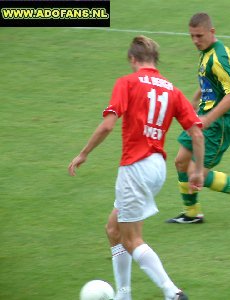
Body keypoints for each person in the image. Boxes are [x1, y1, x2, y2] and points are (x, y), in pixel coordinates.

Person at [68, 35, 204, 300]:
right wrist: (197, 169)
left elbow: (108, 124)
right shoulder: (171, 89)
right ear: (154, 60)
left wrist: (84, 153)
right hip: (157, 168)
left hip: (135, 167)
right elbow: (197, 134)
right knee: (113, 229)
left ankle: (172, 292)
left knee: (132, 239)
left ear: (133, 59)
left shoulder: (127, 83)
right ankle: (123, 295)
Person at [167, 12, 230, 224]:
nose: (195, 41)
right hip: (203, 117)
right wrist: (194, 102)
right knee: (181, 161)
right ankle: (192, 213)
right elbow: (207, 81)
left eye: (199, 36)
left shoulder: (219, 57)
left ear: (212, 32)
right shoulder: (206, 52)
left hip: (220, 124)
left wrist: (208, 119)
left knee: (195, 172)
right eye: (192, 36)